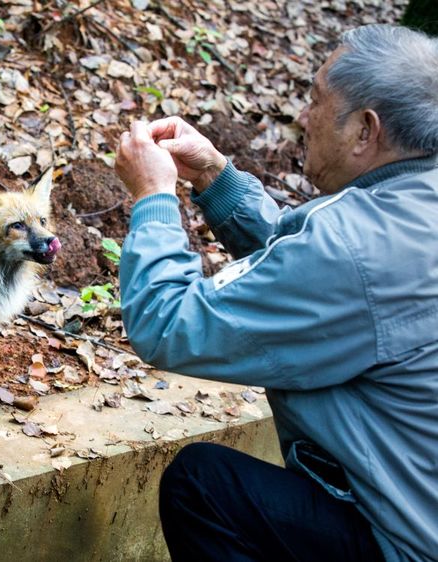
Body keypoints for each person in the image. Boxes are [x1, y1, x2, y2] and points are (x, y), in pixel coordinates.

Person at [114, 24, 438, 562]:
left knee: (203, 486)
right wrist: (218, 179)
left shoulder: (353, 245)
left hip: (407, 545)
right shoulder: (410, 208)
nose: (303, 117)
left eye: (315, 100)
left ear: (365, 130)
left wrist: (153, 197)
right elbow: (324, 282)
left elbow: (166, 323)